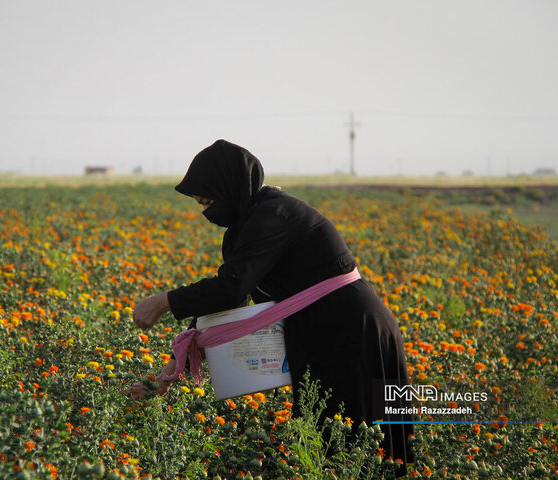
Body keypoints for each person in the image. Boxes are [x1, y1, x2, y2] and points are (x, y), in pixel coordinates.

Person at [131, 139, 413, 474]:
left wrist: (164, 302)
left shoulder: (273, 215)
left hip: (352, 332)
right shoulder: (245, 227)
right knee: (327, 445)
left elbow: (229, 288)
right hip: (323, 335)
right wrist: (165, 377)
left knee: (358, 446)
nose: (206, 213)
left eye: (208, 202)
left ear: (229, 188)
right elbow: (227, 310)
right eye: (200, 204)